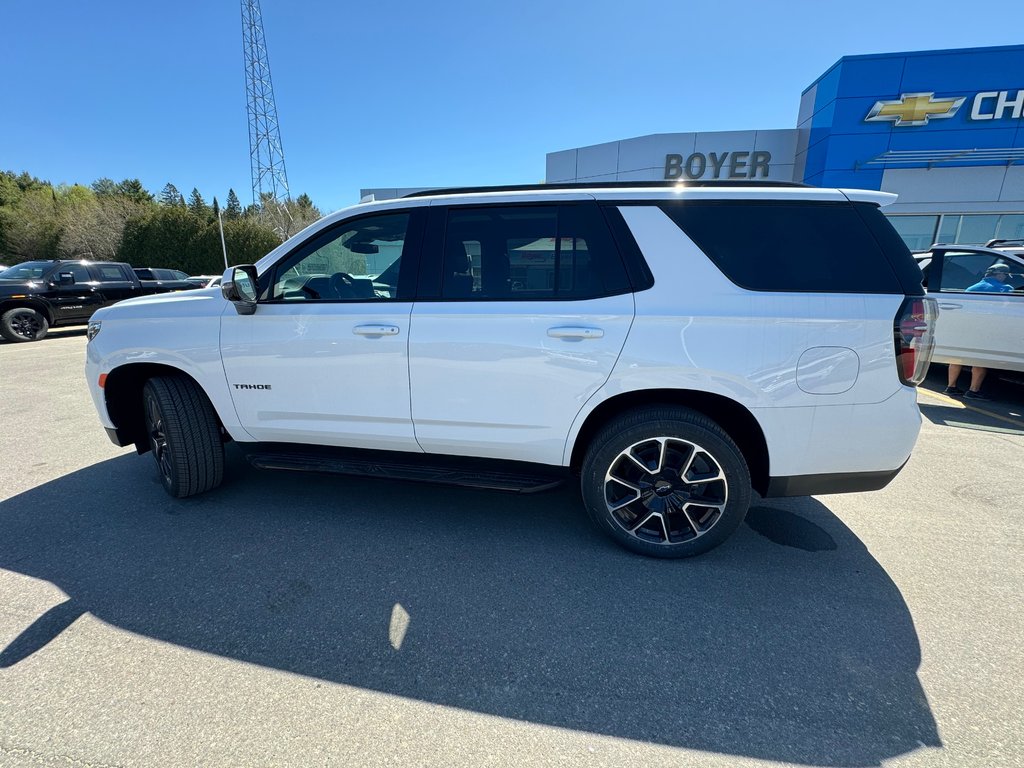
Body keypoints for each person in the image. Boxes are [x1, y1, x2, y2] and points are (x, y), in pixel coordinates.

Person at [944, 263, 1014, 400]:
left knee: (958, 356)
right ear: (1000, 274)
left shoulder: (971, 288)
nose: (1005, 278)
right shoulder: (1005, 289)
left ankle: (951, 387)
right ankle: (973, 390)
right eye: (1005, 275)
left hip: (966, 327)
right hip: (986, 328)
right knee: (979, 358)